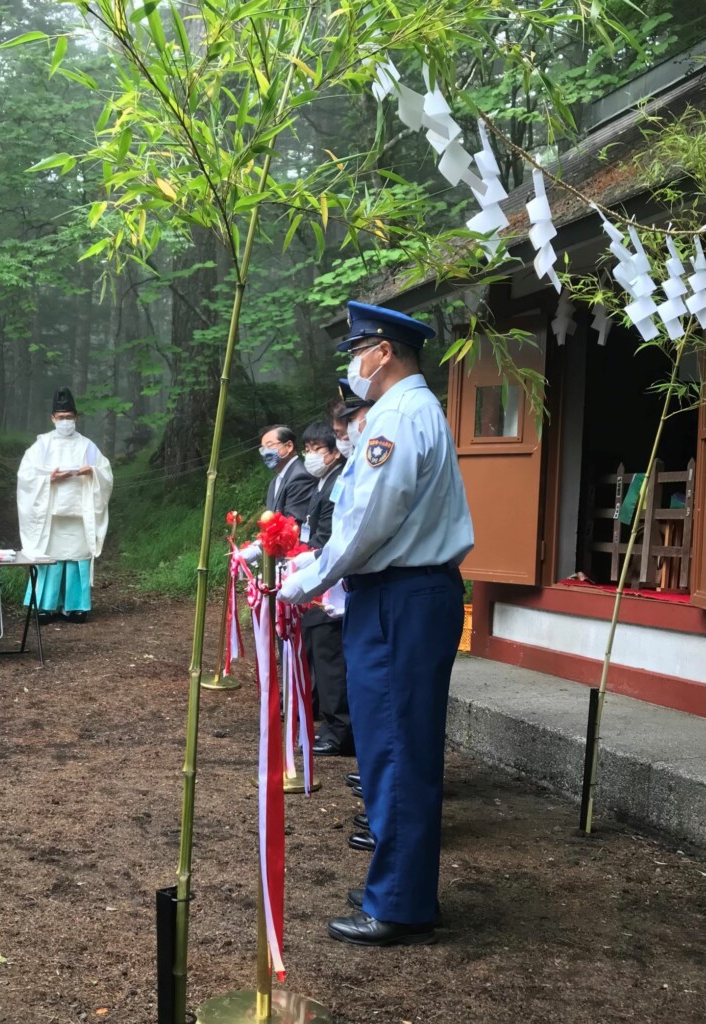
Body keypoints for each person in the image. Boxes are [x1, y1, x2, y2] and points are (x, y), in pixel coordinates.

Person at [279, 301, 474, 948]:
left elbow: (368, 522)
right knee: (393, 747)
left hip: (400, 596)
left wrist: (305, 582)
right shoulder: (410, 411)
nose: (352, 366)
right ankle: (396, 885)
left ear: (383, 350)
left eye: (355, 351)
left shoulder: (399, 416)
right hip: (398, 594)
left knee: (395, 751)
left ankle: (399, 902)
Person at [17, 387, 113, 624]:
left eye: (69, 417)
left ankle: (76, 606)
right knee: (50, 557)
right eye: (61, 418)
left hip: (79, 513)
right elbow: (26, 476)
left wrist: (92, 471)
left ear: (76, 418)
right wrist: (48, 478)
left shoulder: (88, 446)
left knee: (77, 556)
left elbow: (106, 473)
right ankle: (44, 606)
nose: (65, 422)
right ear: (53, 418)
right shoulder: (42, 445)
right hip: (51, 513)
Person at [292, 421, 353, 757]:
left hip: (330, 584)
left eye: (317, 449)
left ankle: (339, 730)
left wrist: (308, 559)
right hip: (317, 573)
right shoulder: (322, 483)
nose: (311, 455)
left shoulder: (337, 484)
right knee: (319, 654)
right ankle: (329, 723)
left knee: (331, 660)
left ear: (333, 452)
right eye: (309, 449)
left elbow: (328, 537)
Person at [239, 424, 317, 564]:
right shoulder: (275, 481)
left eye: (270, 446)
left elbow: (293, 526)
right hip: (278, 561)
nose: (265, 452)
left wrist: (259, 548)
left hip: (294, 561)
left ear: (289, 446)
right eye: (262, 449)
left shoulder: (299, 477)